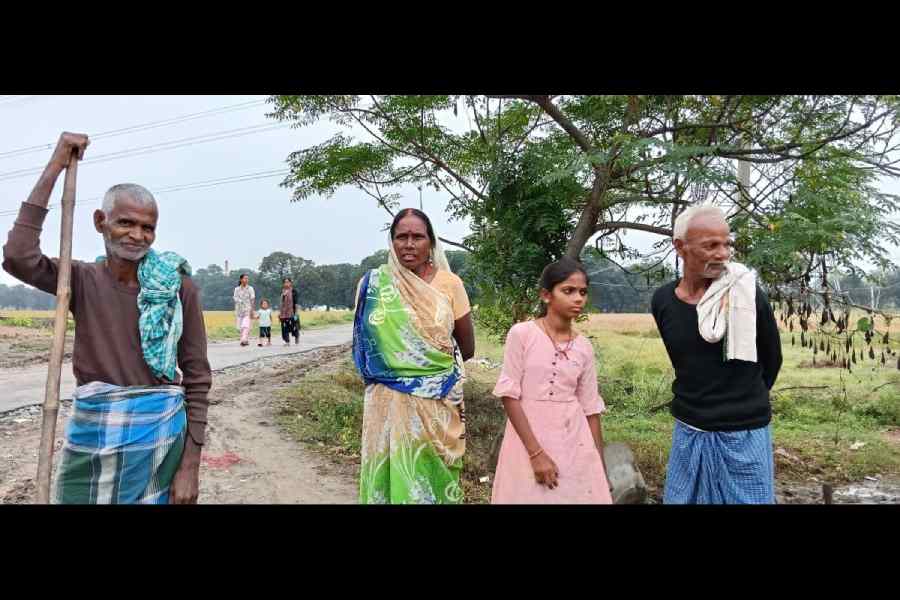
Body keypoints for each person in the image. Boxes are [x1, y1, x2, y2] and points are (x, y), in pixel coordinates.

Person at [2, 132, 211, 504]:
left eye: (147, 227)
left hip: (158, 439)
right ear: (100, 222)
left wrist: (190, 466)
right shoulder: (78, 279)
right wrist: (56, 163)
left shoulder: (179, 288)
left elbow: (197, 378)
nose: (137, 235)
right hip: (92, 435)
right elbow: (18, 257)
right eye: (125, 223)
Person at [651, 204, 783, 504]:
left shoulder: (746, 296)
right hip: (690, 427)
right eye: (710, 245)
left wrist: (741, 401)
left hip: (745, 432)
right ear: (680, 247)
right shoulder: (663, 301)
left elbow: (771, 358)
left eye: (727, 244)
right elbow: (684, 363)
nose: (722, 254)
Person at [353, 208, 475, 504]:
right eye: (401, 237)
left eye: (417, 237)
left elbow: (467, 348)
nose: (409, 244)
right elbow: (364, 343)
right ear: (392, 242)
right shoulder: (371, 285)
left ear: (430, 243)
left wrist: (425, 367)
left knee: (431, 479)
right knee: (389, 477)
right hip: (384, 404)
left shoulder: (450, 284)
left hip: (434, 405)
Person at [491, 258, 612, 504]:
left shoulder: (584, 348)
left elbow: (591, 410)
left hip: (573, 440)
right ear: (546, 295)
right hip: (527, 439)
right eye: (568, 291)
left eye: (583, 292)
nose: (578, 298)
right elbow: (509, 394)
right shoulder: (522, 334)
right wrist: (536, 454)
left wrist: (599, 468)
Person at [233, 273, 255, 347]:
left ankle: (243, 339)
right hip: (239, 310)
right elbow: (235, 298)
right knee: (240, 327)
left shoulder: (250, 288)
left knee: (245, 325)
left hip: (247, 309)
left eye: (247, 279)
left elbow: (252, 299)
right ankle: (245, 340)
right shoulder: (236, 289)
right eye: (245, 278)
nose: (246, 280)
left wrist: (252, 310)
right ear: (241, 279)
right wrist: (240, 301)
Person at [279, 278, 299, 346]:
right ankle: (287, 341)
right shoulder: (282, 292)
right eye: (285, 282)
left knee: (294, 326)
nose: (286, 283)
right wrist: (280, 312)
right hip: (283, 313)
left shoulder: (294, 291)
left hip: (292, 312)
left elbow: (296, 303)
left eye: (288, 282)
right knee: (284, 327)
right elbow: (281, 303)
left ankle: (296, 336)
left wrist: (296, 313)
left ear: (290, 283)